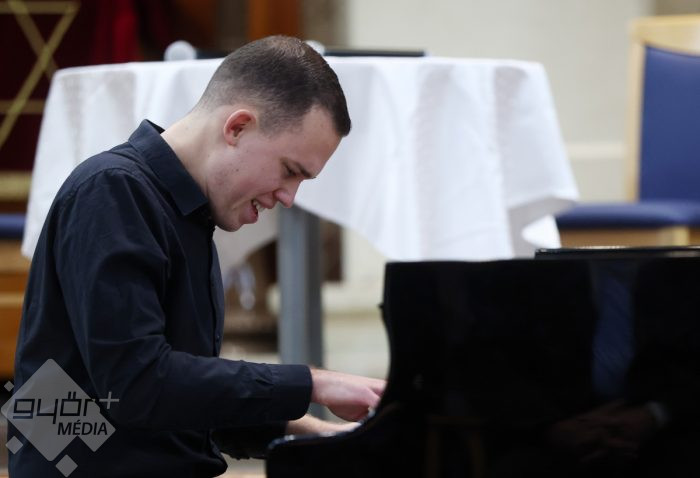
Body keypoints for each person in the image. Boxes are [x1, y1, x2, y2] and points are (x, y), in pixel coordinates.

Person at [8, 35, 385, 477]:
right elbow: (136, 386)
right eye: (289, 171)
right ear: (237, 127)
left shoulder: (186, 212)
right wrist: (314, 383)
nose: (289, 197)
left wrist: (322, 436)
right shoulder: (112, 191)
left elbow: (183, 401)